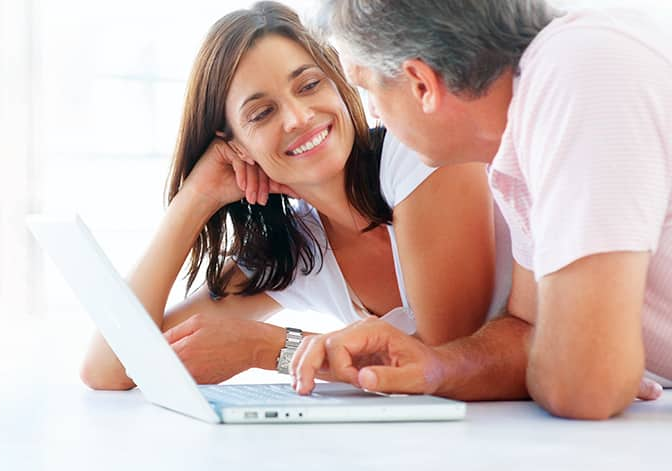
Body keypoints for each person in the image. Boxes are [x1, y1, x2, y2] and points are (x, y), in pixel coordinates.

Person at [80, 1, 510, 390]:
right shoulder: (297, 249)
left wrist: (266, 348)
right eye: (262, 113)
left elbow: (441, 355)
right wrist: (194, 200)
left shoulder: (417, 153)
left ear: (339, 82)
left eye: (308, 86)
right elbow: (112, 368)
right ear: (237, 146)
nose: (298, 118)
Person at [291, 0, 672, 419]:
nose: (374, 113)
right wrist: (437, 366)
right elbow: (527, 329)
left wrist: (580, 361)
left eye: (367, 88)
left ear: (421, 82)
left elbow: (583, 387)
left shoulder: (579, 71)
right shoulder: (518, 136)